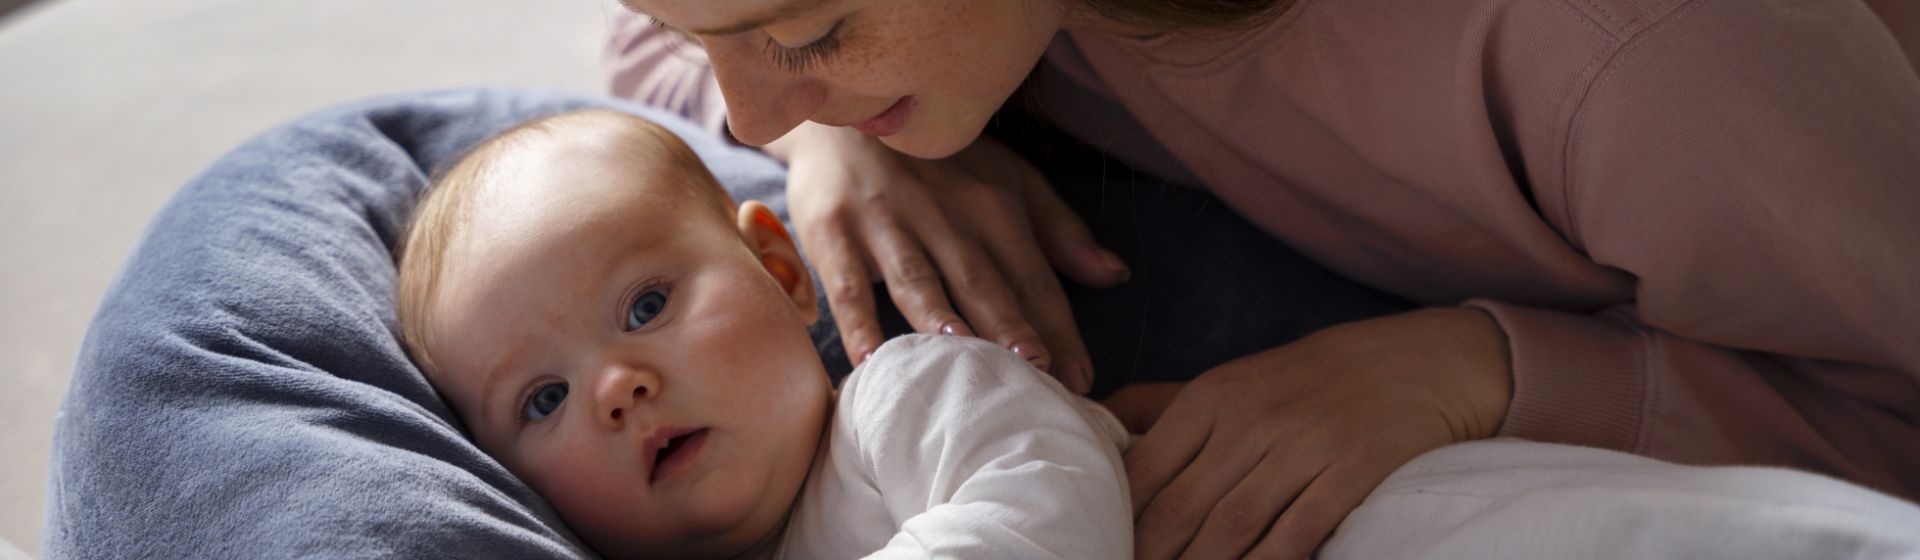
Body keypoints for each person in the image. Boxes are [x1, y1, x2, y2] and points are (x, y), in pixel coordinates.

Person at [603, 0, 1920, 557]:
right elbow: (645, 46)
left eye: (811, 33)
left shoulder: (1637, 58)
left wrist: (1476, 371)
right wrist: (841, 138)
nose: (749, 116)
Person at [391, 109, 1133, 559]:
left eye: (646, 307)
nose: (616, 389)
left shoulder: (914, 396)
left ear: (780, 270)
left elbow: (1045, 514)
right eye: (545, 398)